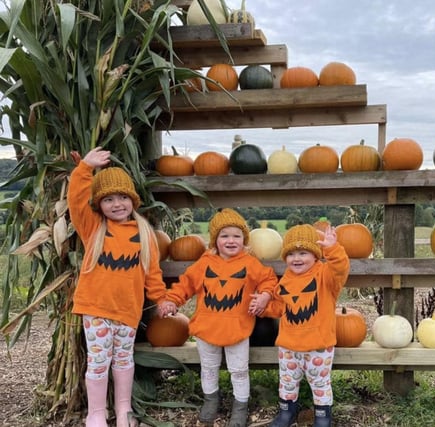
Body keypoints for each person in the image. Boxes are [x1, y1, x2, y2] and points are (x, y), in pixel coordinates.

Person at [68, 147, 169, 427]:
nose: (117, 204)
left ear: (132, 200)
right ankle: (96, 413)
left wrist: (160, 298)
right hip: (97, 309)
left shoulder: (144, 232)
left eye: (123, 197)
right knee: (99, 361)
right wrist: (84, 168)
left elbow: (152, 272)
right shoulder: (93, 228)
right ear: (99, 204)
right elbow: (76, 200)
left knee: (124, 361)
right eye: (108, 199)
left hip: (128, 311)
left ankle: (123, 409)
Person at [158, 208, 278, 427]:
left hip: (238, 328)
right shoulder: (204, 264)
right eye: (224, 236)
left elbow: (268, 280)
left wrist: (264, 296)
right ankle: (211, 400)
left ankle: (240, 406)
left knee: (239, 370)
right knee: (209, 368)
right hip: (207, 328)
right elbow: (185, 285)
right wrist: (171, 300)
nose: (230, 240)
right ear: (215, 240)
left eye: (236, 236)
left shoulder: (250, 264)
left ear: (244, 240)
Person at [266, 224, 350, 427]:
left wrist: (332, 249)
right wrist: (263, 306)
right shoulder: (285, 280)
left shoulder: (325, 277)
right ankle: (287, 412)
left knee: (320, 384)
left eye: (303, 253)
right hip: (288, 347)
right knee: (287, 382)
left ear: (315, 255)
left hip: (318, 346)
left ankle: (322, 417)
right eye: (291, 254)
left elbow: (341, 268)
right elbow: (279, 308)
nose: (297, 258)